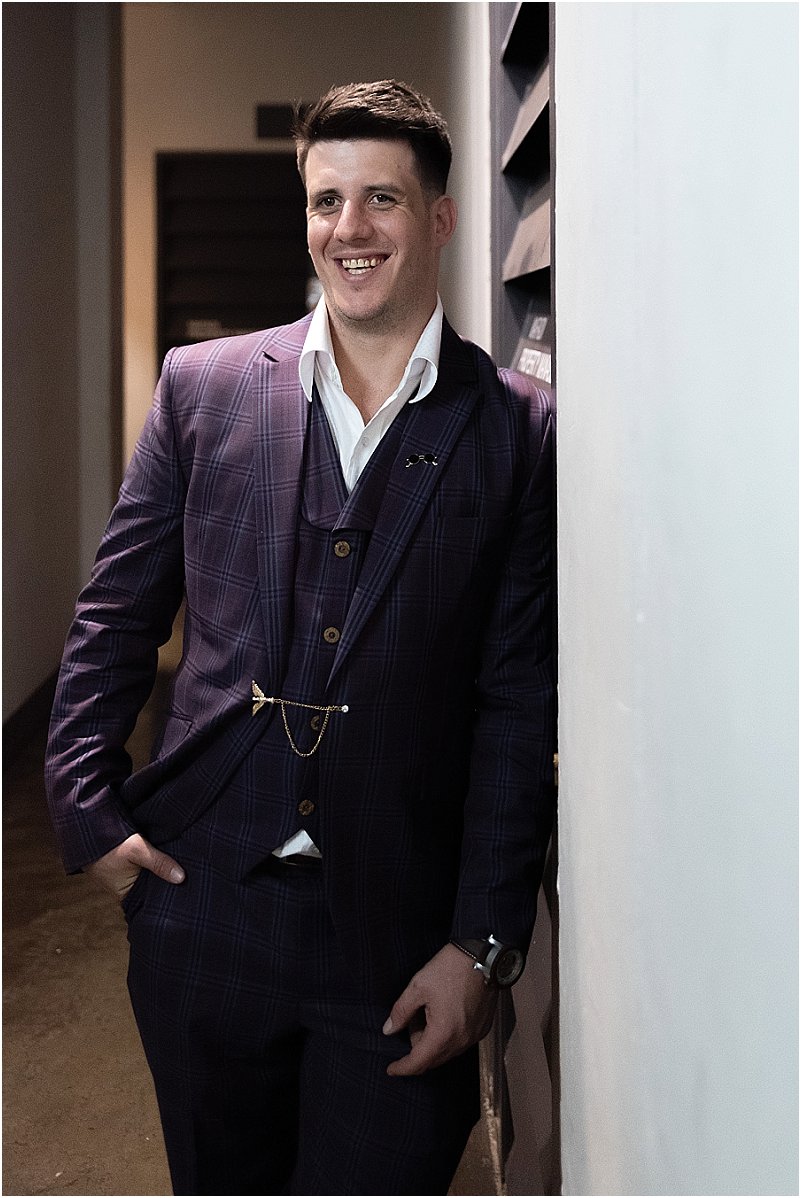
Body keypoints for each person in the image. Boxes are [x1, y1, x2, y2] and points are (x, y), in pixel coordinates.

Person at [45, 79, 556, 1196]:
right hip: (203, 904)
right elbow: (116, 612)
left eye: (381, 198)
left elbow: (516, 703)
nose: (348, 228)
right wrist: (86, 807)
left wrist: (480, 946)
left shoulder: (518, 429)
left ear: (440, 218)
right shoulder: (204, 388)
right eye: (327, 200)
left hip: (401, 934)